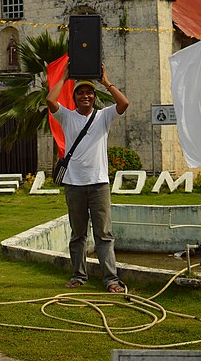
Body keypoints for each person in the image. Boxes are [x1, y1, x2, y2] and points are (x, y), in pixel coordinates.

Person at [46, 60, 129, 293]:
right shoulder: (67, 117)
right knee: (78, 234)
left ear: (94, 97)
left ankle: (111, 279)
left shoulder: (103, 116)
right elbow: (50, 101)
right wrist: (64, 77)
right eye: (81, 93)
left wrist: (105, 82)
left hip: (99, 183)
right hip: (74, 184)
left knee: (104, 235)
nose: (85, 96)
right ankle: (78, 276)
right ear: (74, 98)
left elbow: (124, 103)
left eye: (89, 93)